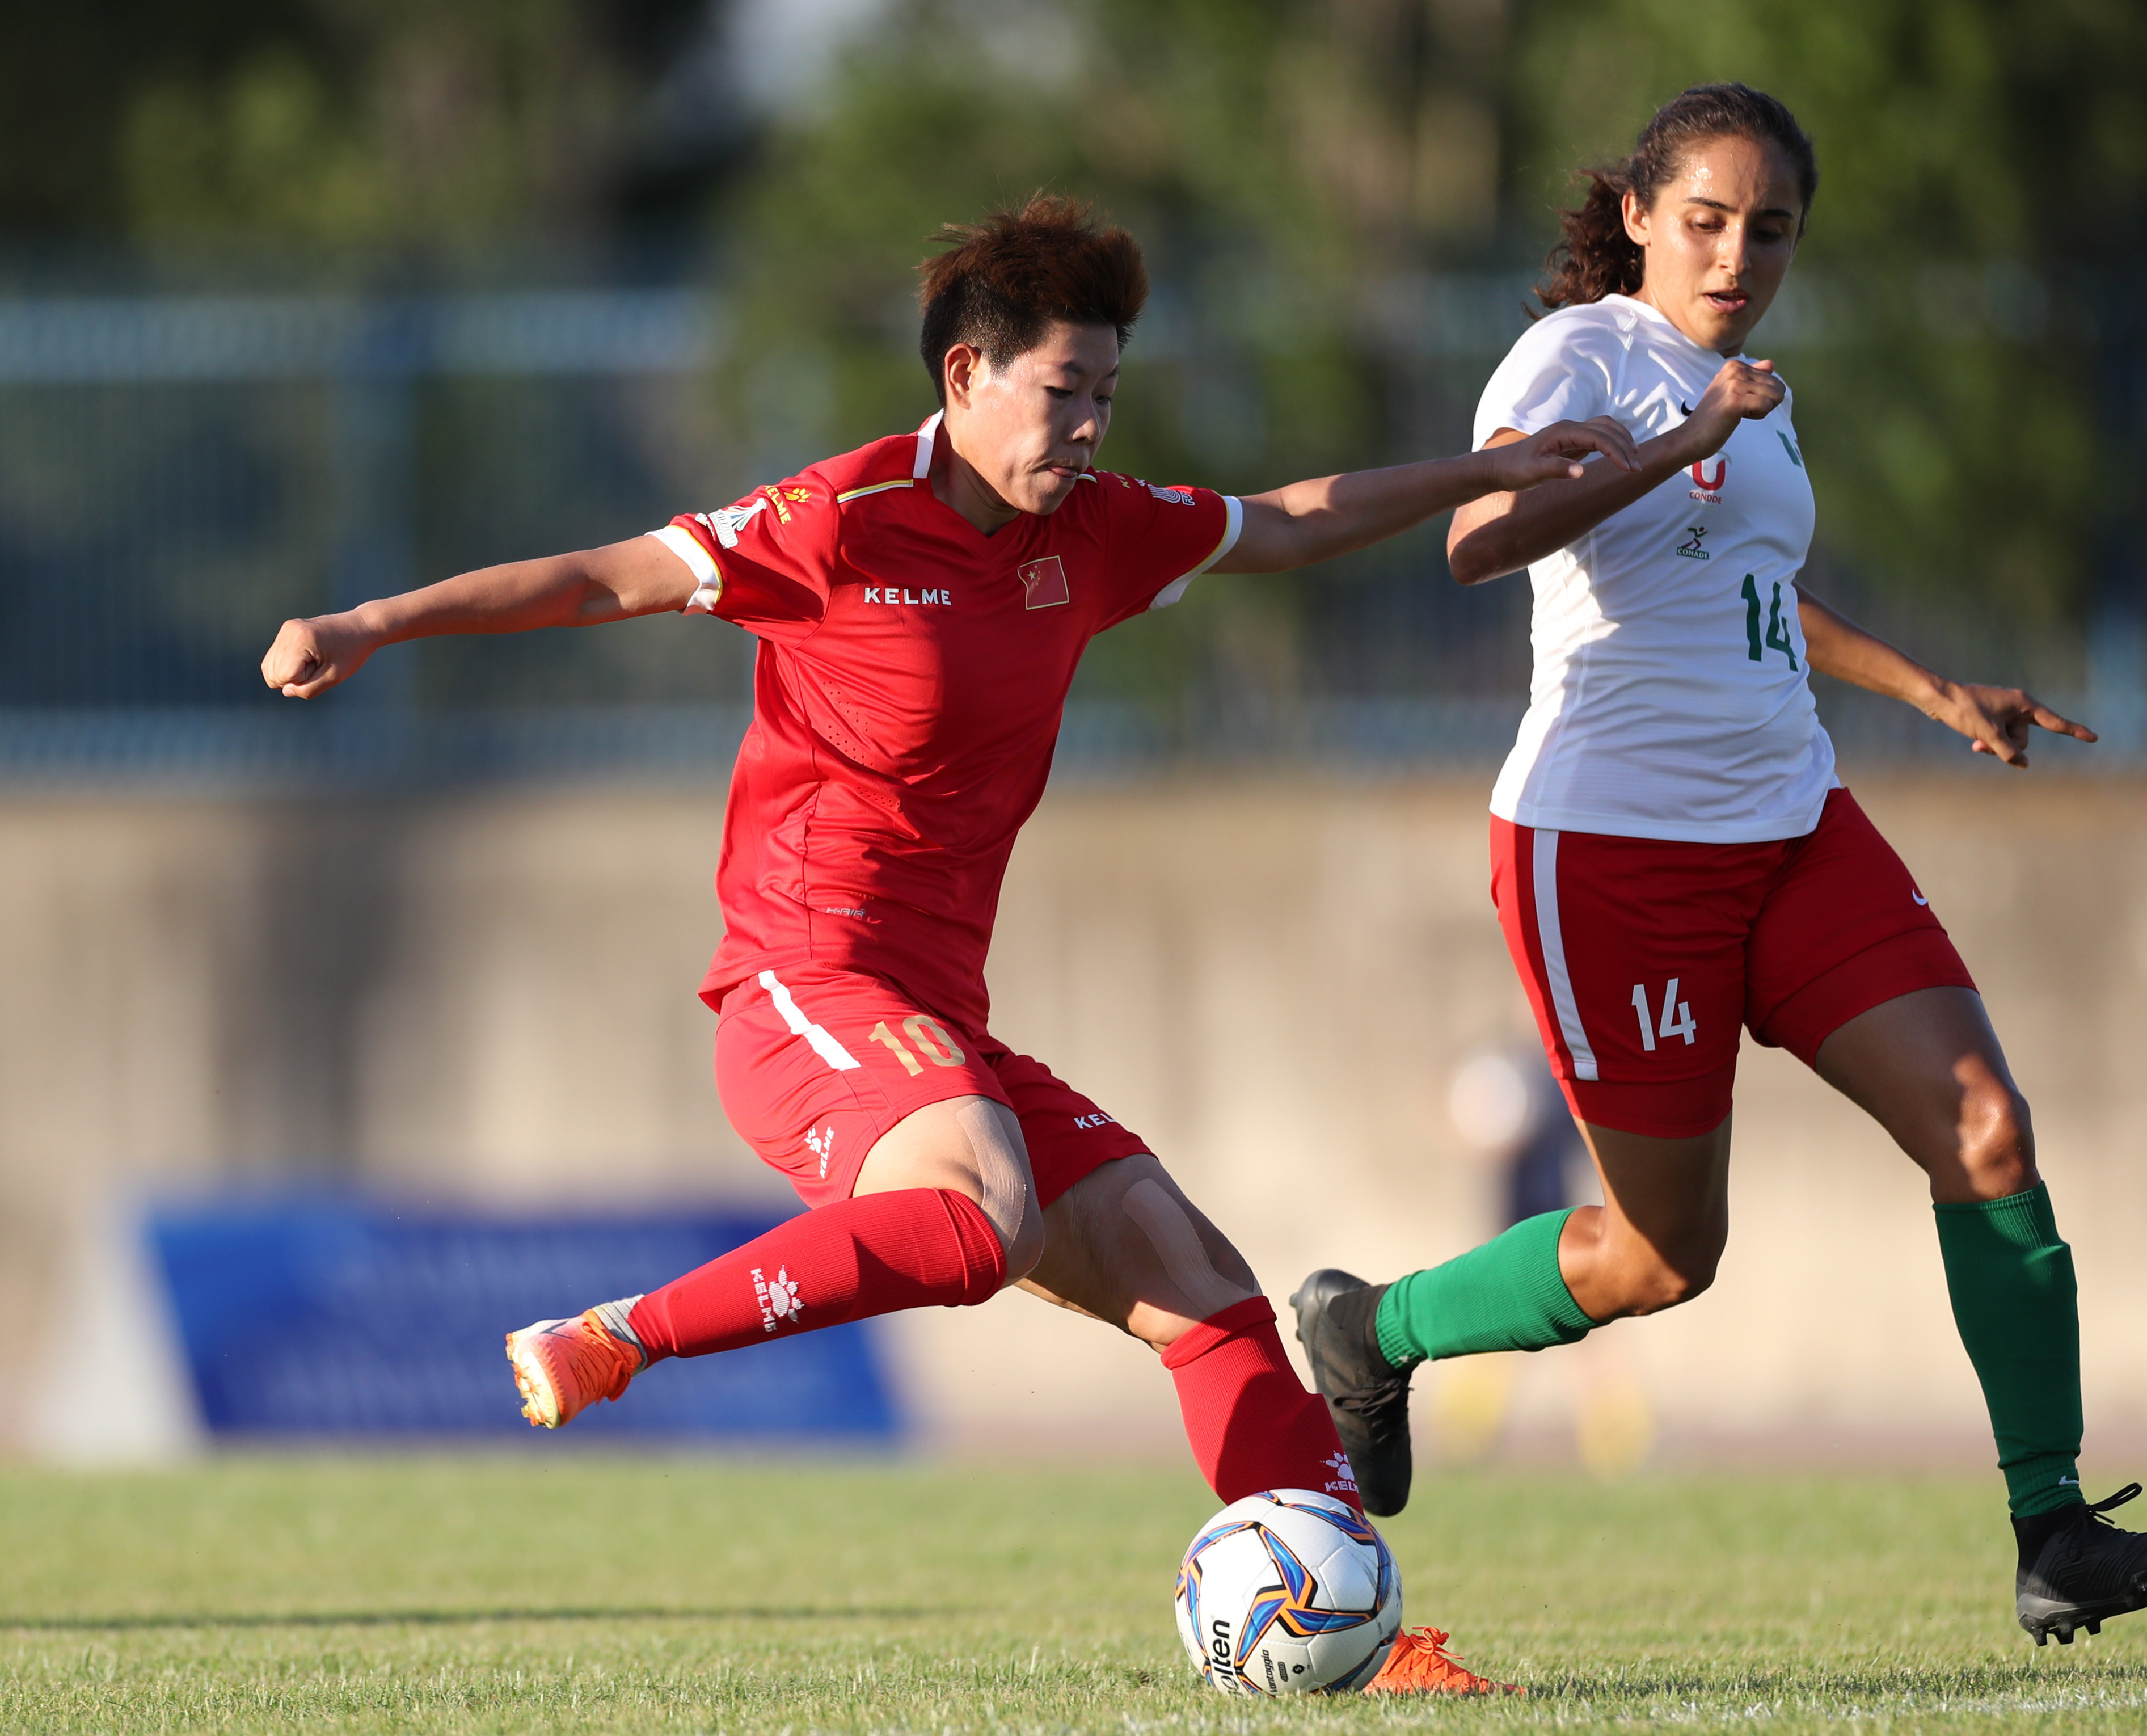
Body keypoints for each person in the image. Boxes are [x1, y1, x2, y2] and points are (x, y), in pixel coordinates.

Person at [261, 196, 1635, 1694]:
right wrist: (376, 620)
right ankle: (613, 1334)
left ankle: (1360, 1642)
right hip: (800, 981)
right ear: (965, 373)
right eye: (1065, 389)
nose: (1092, 423)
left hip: (934, 1013)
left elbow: (1286, 519)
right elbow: (605, 575)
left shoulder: (1095, 531)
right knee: (978, 1203)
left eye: (1108, 390)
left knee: (1199, 1280)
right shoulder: (834, 522)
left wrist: (1485, 468)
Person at [1289, 85, 2147, 1649]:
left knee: (1985, 1126)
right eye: (1706, 220)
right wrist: (1686, 435)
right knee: (1662, 1257)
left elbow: (1755, 593)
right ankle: (1370, 1328)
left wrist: (1931, 689)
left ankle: (2050, 1530)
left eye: (1769, 228)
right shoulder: (1578, 358)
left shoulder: (1755, 391)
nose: (1736, 254)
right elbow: (1476, 545)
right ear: (1642, 216)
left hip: (1792, 823)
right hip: (1610, 851)